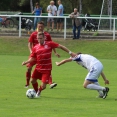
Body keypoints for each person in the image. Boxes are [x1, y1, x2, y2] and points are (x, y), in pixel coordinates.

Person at [22, 32, 76, 98]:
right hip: (38, 67)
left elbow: (60, 46)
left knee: (44, 86)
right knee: (32, 81)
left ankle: (39, 91)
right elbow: (33, 58)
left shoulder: (49, 44)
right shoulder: (35, 47)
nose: (39, 40)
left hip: (47, 69)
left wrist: (70, 53)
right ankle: (36, 92)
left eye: (41, 38)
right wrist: (26, 62)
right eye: (38, 38)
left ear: (44, 38)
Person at [25, 21, 59, 89]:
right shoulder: (33, 34)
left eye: (41, 26)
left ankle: (50, 83)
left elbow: (52, 44)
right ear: (37, 26)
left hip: (43, 54)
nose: (40, 28)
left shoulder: (47, 35)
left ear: (44, 27)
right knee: (29, 68)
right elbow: (29, 43)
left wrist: (55, 52)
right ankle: (27, 83)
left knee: (46, 68)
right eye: (39, 26)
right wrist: (31, 51)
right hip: (35, 54)